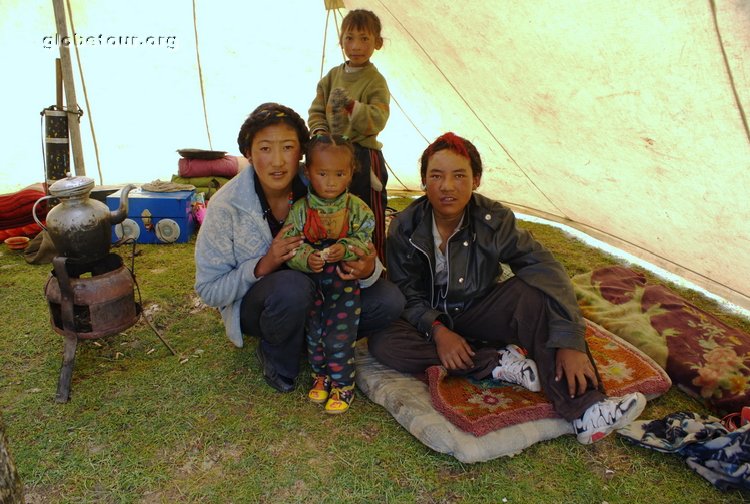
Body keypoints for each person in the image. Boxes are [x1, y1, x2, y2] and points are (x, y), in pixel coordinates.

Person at [368, 132, 647, 444]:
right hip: (429, 321)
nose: (447, 186)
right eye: (436, 176)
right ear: (423, 181)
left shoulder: (494, 220)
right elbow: (405, 291)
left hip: (479, 311)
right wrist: (438, 330)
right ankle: (496, 362)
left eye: (459, 175)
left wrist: (571, 340)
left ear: (476, 180)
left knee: (533, 295)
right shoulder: (405, 225)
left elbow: (545, 267)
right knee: (383, 342)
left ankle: (586, 409)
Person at [194, 102, 404, 394]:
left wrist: (368, 269)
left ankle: (319, 340)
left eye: (288, 147)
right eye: (265, 148)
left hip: (327, 293)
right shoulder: (227, 207)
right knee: (292, 286)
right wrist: (262, 265)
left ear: (302, 152)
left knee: (389, 299)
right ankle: (277, 354)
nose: (278, 161)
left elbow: (361, 241)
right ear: (248, 154)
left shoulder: (324, 179)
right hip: (265, 306)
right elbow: (209, 290)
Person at [283, 134, 374, 413]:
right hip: (313, 285)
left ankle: (343, 385)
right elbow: (289, 247)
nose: (331, 181)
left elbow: (365, 239)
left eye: (339, 173)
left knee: (340, 335)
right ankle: (319, 375)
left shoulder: (357, 209)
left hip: (344, 286)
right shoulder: (299, 210)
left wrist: (345, 248)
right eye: (322, 173)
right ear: (307, 172)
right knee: (315, 333)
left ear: (351, 173)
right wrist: (306, 258)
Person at [308, 9, 390, 265]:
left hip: (363, 157)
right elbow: (316, 111)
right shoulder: (331, 77)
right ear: (341, 41)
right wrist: (320, 134)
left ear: (377, 42)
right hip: (330, 156)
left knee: (366, 212)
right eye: (349, 38)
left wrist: (353, 107)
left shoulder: (375, 81)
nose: (356, 46)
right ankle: (331, 262)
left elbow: (379, 118)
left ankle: (372, 266)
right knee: (331, 209)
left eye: (364, 39)